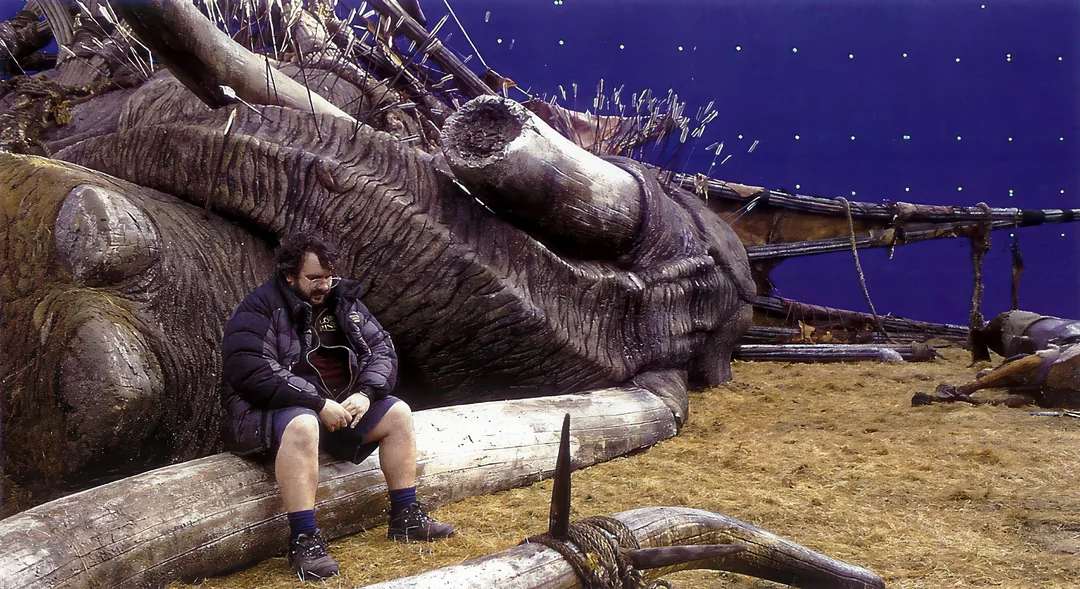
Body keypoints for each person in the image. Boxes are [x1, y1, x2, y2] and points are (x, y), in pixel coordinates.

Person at [221, 234, 454, 581]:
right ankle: (304, 539)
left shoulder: (345, 301)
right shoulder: (260, 307)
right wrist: (316, 403)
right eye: (314, 278)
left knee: (398, 412)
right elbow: (250, 368)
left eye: (328, 276)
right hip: (270, 413)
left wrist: (366, 393)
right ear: (290, 276)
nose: (323, 285)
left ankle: (406, 517)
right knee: (303, 424)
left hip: (340, 409)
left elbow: (381, 350)